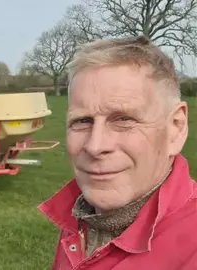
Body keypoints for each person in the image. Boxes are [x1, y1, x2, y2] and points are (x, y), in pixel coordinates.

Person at [37, 35, 196, 269]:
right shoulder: (81, 216)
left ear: (175, 128)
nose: (95, 145)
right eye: (82, 121)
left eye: (123, 119)